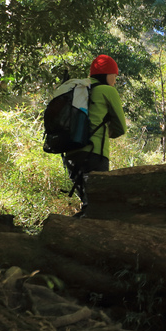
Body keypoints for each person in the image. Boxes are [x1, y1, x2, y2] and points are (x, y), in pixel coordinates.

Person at [62, 54, 127, 216]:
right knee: (98, 205)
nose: (115, 79)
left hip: (70, 152)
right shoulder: (108, 91)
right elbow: (121, 127)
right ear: (106, 75)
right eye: (114, 75)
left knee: (87, 201)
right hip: (95, 153)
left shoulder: (77, 89)